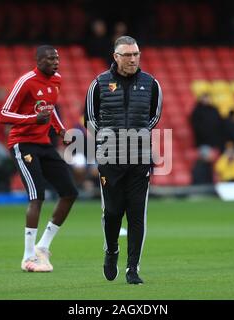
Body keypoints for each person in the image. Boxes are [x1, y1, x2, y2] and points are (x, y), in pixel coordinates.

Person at [84, 36, 162, 284]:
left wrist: (134, 139)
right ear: (115, 57)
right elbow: (91, 118)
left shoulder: (151, 84)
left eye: (136, 54)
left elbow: (154, 117)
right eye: (127, 55)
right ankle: (111, 252)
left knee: (137, 214)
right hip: (110, 158)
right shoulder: (98, 84)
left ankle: (132, 268)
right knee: (113, 212)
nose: (132, 59)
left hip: (140, 159)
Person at [0, 45, 78, 272]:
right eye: (51, 59)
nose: (56, 62)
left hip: (44, 144)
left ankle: (43, 246)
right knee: (37, 196)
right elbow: (3, 114)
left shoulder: (57, 80)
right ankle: (27, 257)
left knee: (70, 192)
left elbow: (50, 110)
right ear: (39, 61)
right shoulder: (25, 82)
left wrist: (61, 130)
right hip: (22, 144)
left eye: (58, 59)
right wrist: (34, 118)